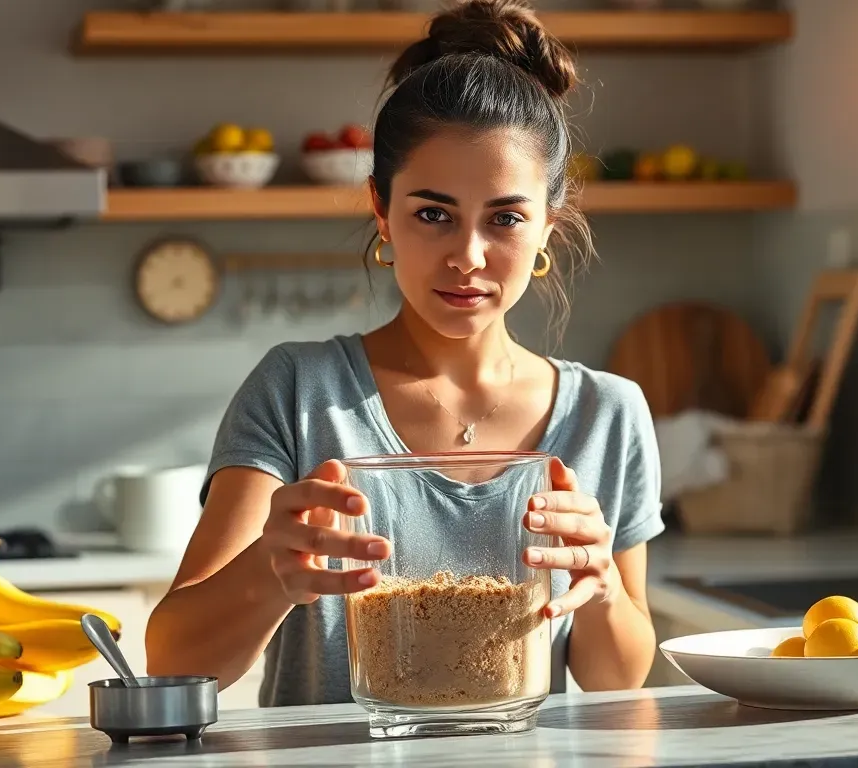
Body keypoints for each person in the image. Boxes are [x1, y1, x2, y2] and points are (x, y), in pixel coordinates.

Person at [145, 0, 664, 707]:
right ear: (381, 209)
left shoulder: (609, 414)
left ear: (549, 224)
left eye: (506, 218)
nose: (469, 257)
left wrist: (598, 583)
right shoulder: (299, 391)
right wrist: (271, 571)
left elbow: (618, 678)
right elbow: (173, 658)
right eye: (433, 214)